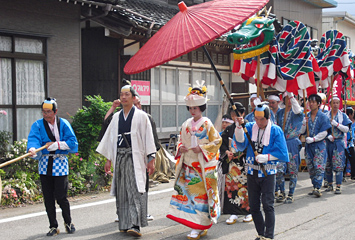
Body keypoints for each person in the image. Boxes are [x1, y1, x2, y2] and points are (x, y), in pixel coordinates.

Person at [96, 84, 156, 237]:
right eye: (121, 94)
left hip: (134, 158)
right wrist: (109, 159)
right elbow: (110, 139)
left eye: (127, 94)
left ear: (133, 97)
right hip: (120, 157)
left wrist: (151, 158)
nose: (123, 97)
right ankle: (124, 224)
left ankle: (135, 225)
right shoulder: (116, 117)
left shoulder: (142, 116)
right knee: (122, 191)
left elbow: (149, 138)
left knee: (134, 190)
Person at [167, 83, 222, 240]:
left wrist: (203, 148)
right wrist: (180, 149)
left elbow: (217, 141)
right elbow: (180, 141)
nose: (192, 111)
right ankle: (197, 225)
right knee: (191, 197)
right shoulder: (186, 124)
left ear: (201, 108)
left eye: (195, 109)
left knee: (201, 198)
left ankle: (198, 227)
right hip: (189, 166)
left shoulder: (207, 123)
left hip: (202, 166)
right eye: (190, 108)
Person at [234, 103, 289, 240]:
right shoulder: (250, 127)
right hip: (252, 172)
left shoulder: (276, 130)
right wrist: (239, 127)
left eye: (262, 119)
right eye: (257, 119)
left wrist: (267, 157)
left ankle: (269, 236)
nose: (259, 122)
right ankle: (261, 233)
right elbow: (240, 143)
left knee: (268, 205)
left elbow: (283, 153)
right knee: (253, 206)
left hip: (268, 173)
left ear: (268, 117)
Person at [27, 98, 78, 236]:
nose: (45, 114)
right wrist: (32, 149)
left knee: (61, 197)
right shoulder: (37, 125)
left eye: (48, 112)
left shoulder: (64, 124)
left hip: (60, 163)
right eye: (43, 112)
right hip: (44, 164)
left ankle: (68, 222)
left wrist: (55, 145)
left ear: (55, 112)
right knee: (48, 197)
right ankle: (53, 226)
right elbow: (34, 139)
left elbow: (72, 142)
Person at [220, 102, 252, 224]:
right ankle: (233, 213)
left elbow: (250, 143)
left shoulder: (248, 126)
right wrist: (227, 152)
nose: (234, 117)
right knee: (231, 188)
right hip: (231, 163)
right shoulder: (229, 129)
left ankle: (248, 212)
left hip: (243, 162)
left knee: (245, 187)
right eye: (232, 115)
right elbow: (222, 143)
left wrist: (241, 153)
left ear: (243, 114)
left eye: (237, 114)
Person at [300, 94, 331, 197]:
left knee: (319, 166)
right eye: (310, 102)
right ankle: (314, 186)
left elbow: (325, 132)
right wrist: (304, 124)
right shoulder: (307, 116)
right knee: (311, 167)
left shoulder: (323, 117)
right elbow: (302, 131)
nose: (311, 104)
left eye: (314, 102)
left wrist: (314, 139)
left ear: (318, 104)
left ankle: (318, 187)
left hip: (319, 145)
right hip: (309, 146)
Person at [275, 92, 304, 203]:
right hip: (282, 143)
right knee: (279, 170)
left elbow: (298, 110)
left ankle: (291, 193)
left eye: (290, 99)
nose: (288, 100)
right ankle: (282, 192)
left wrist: (291, 95)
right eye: (286, 98)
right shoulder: (280, 113)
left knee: (293, 170)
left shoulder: (297, 112)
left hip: (292, 143)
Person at [324, 97, 351, 194]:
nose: (335, 104)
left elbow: (347, 129)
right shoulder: (326, 115)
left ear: (339, 104)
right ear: (330, 104)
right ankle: (330, 184)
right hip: (328, 142)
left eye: (337, 103)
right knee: (328, 164)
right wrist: (328, 135)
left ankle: (338, 185)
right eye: (333, 103)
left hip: (338, 142)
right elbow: (323, 129)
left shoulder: (343, 116)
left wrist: (337, 124)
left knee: (338, 163)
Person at [345, 107, 355, 180]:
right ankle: (343, 174)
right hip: (345, 144)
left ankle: (353, 174)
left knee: (352, 160)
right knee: (344, 160)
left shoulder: (353, 124)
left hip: (351, 144)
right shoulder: (345, 123)